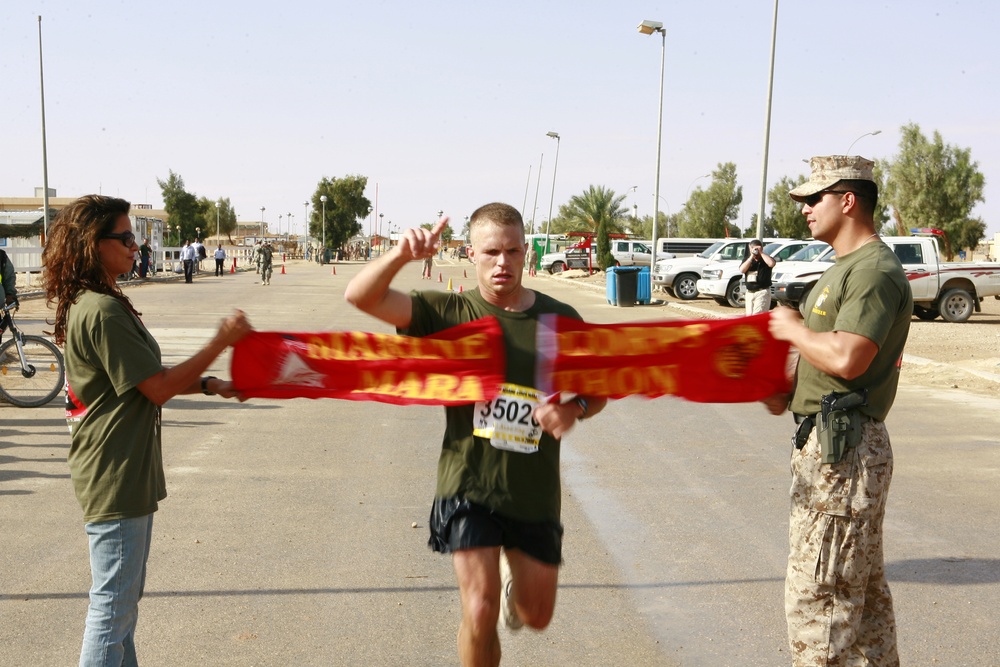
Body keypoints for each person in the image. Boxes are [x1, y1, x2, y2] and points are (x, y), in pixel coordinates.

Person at [345, 202, 607, 667]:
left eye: (511, 251)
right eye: (491, 252)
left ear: (526, 252)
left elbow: (598, 389)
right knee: (478, 608)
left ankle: (512, 585)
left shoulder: (561, 320)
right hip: (468, 483)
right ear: (471, 253)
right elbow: (361, 296)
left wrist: (577, 409)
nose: (502, 262)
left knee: (537, 614)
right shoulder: (449, 311)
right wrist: (401, 255)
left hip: (533, 490)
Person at [40, 194, 252, 666]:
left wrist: (211, 385)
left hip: (122, 471)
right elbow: (156, 388)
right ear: (93, 245)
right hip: (114, 473)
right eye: (126, 237)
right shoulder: (100, 310)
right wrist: (220, 341)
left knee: (122, 609)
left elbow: (143, 382)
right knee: (112, 608)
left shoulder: (100, 303)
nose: (136, 246)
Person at [764, 156, 911, 667]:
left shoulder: (872, 270)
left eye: (814, 198)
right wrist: (783, 385)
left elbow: (850, 358)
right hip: (829, 446)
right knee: (861, 603)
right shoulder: (844, 267)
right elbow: (826, 358)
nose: (805, 208)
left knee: (820, 605)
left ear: (848, 201)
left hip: (843, 455)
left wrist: (793, 331)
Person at [739, 239, 775, 315]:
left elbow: (771, 264)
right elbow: (742, 270)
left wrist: (761, 252)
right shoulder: (747, 260)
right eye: (752, 248)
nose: (755, 250)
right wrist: (751, 256)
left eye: (756, 248)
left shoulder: (765, 259)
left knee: (757, 316)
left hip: (762, 292)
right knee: (749, 317)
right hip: (750, 293)